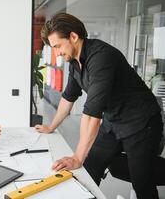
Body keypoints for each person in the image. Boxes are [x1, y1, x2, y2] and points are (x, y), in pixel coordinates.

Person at [35, 12, 164, 199]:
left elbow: (91, 114)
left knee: (141, 182)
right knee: (91, 167)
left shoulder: (101, 57)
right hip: (113, 121)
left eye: (58, 46)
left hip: (141, 123)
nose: (57, 53)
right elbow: (68, 98)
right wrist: (51, 126)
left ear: (73, 36)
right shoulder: (75, 62)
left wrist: (77, 157)